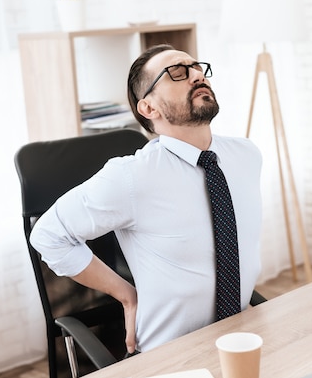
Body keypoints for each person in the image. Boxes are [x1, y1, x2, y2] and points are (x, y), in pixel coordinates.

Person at [29, 44, 263, 356]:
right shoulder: (131, 176)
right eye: (177, 72)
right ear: (148, 109)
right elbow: (47, 235)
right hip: (171, 356)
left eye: (197, 68)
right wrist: (127, 295)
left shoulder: (246, 155)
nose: (195, 75)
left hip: (241, 336)